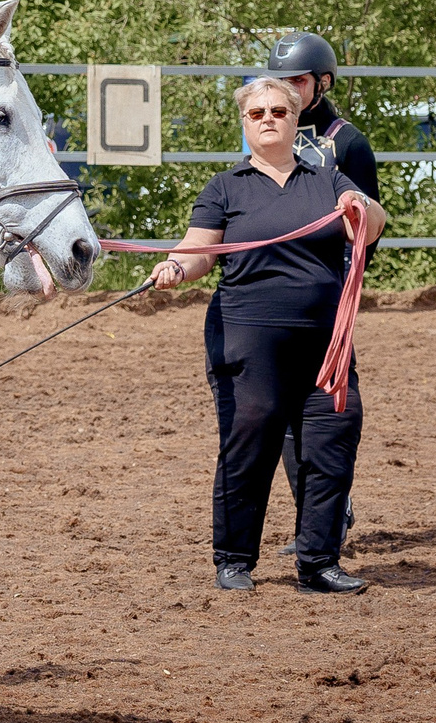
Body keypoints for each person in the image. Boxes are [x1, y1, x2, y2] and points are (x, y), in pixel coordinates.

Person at [151, 73, 386, 594]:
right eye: (257, 114)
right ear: (245, 123)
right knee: (249, 445)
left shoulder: (327, 180)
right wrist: (173, 268)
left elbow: (371, 227)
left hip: (326, 344)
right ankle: (234, 559)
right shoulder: (225, 188)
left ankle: (319, 563)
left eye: (278, 111)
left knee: (329, 447)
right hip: (246, 339)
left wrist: (363, 207)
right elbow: (200, 250)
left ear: (296, 117)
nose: (268, 120)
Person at [263, 30, 380, 550]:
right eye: (280, 80)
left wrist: (346, 284)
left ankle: (331, 510)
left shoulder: (347, 142)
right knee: (284, 411)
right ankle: (315, 513)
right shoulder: (267, 133)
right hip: (273, 290)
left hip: (328, 290)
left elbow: (369, 224)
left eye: (297, 81)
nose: (286, 90)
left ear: (321, 82)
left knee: (326, 405)